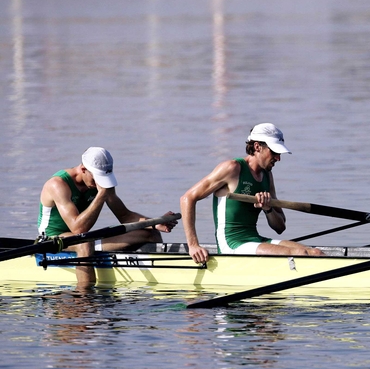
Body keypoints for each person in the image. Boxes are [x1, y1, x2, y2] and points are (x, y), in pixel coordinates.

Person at [180, 122, 324, 264]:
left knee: (316, 253)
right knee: (299, 254)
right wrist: (193, 245)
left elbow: (280, 227)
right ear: (257, 147)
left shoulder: (267, 176)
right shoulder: (232, 168)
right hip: (232, 245)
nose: (278, 158)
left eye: (279, 153)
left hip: (255, 239)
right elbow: (187, 198)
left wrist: (268, 209)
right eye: (274, 152)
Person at [38, 147, 178, 284]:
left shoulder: (100, 184)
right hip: (54, 238)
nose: (100, 183)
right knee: (84, 242)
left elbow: (125, 216)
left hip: (85, 237)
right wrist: (101, 196)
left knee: (150, 233)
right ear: (83, 169)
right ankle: (84, 299)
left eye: (103, 178)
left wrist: (154, 223)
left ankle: (163, 282)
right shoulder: (57, 185)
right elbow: (78, 229)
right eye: (97, 178)